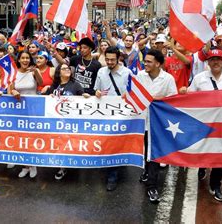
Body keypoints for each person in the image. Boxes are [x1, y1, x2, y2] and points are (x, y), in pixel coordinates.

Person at [182, 49, 222, 202]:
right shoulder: (199, 78)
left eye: (218, 59)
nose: (216, 62)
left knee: (221, 154)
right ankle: (202, 167)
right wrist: (184, 92)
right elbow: (190, 96)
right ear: (208, 62)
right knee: (204, 149)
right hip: (204, 123)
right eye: (212, 59)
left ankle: (215, 185)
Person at [136, 49, 177, 203]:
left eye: (148, 61)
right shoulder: (140, 75)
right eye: (144, 61)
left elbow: (173, 99)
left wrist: (154, 99)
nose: (145, 63)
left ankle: (152, 186)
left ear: (158, 64)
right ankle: (147, 173)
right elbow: (134, 93)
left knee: (154, 153)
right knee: (146, 149)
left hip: (159, 123)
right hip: (142, 121)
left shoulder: (168, 79)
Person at [93, 46, 130, 191]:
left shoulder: (127, 74)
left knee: (116, 143)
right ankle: (111, 170)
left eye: (112, 60)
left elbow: (133, 93)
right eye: (107, 59)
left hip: (122, 115)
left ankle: (113, 175)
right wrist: (96, 92)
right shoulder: (101, 71)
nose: (109, 62)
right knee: (109, 143)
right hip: (104, 113)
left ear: (119, 58)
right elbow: (97, 88)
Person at [45, 64, 85, 180]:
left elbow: (82, 98)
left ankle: (71, 163)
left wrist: (85, 96)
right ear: (58, 72)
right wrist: (49, 94)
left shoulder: (75, 84)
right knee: (60, 143)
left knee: (70, 143)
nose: (67, 70)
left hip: (71, 121)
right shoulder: (55, 85)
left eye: (68, 68)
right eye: (64, 69)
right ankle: (62, 167)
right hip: (57, 122)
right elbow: (47, 99)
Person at [8, 51, 43, 178]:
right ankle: (25, 165)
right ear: (19, 60)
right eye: (23, 58)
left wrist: (36, 71)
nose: (25, 60)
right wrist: (13, 92)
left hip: (32, 110)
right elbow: (10, 89)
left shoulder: (33, 71)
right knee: (20, 138)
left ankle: (33, 164)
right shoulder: (13, 73)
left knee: (31, 137)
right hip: (18, 110)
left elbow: (41, 83)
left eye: (27, 58)